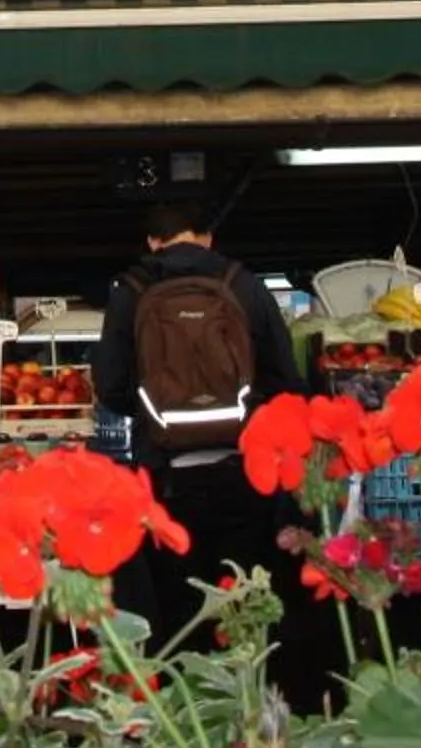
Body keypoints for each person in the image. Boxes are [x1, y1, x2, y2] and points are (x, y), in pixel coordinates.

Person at [93, 203, 311, 663]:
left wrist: (157, 415)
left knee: (180, 607)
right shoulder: (243, 284)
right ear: (208, 237)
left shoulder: (131, 290)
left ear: (153, 242)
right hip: (244, 472)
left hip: (167, 476)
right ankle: (247, 689)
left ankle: (189, 692)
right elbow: (286, 381)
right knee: (244, 601)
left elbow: (110, 388)